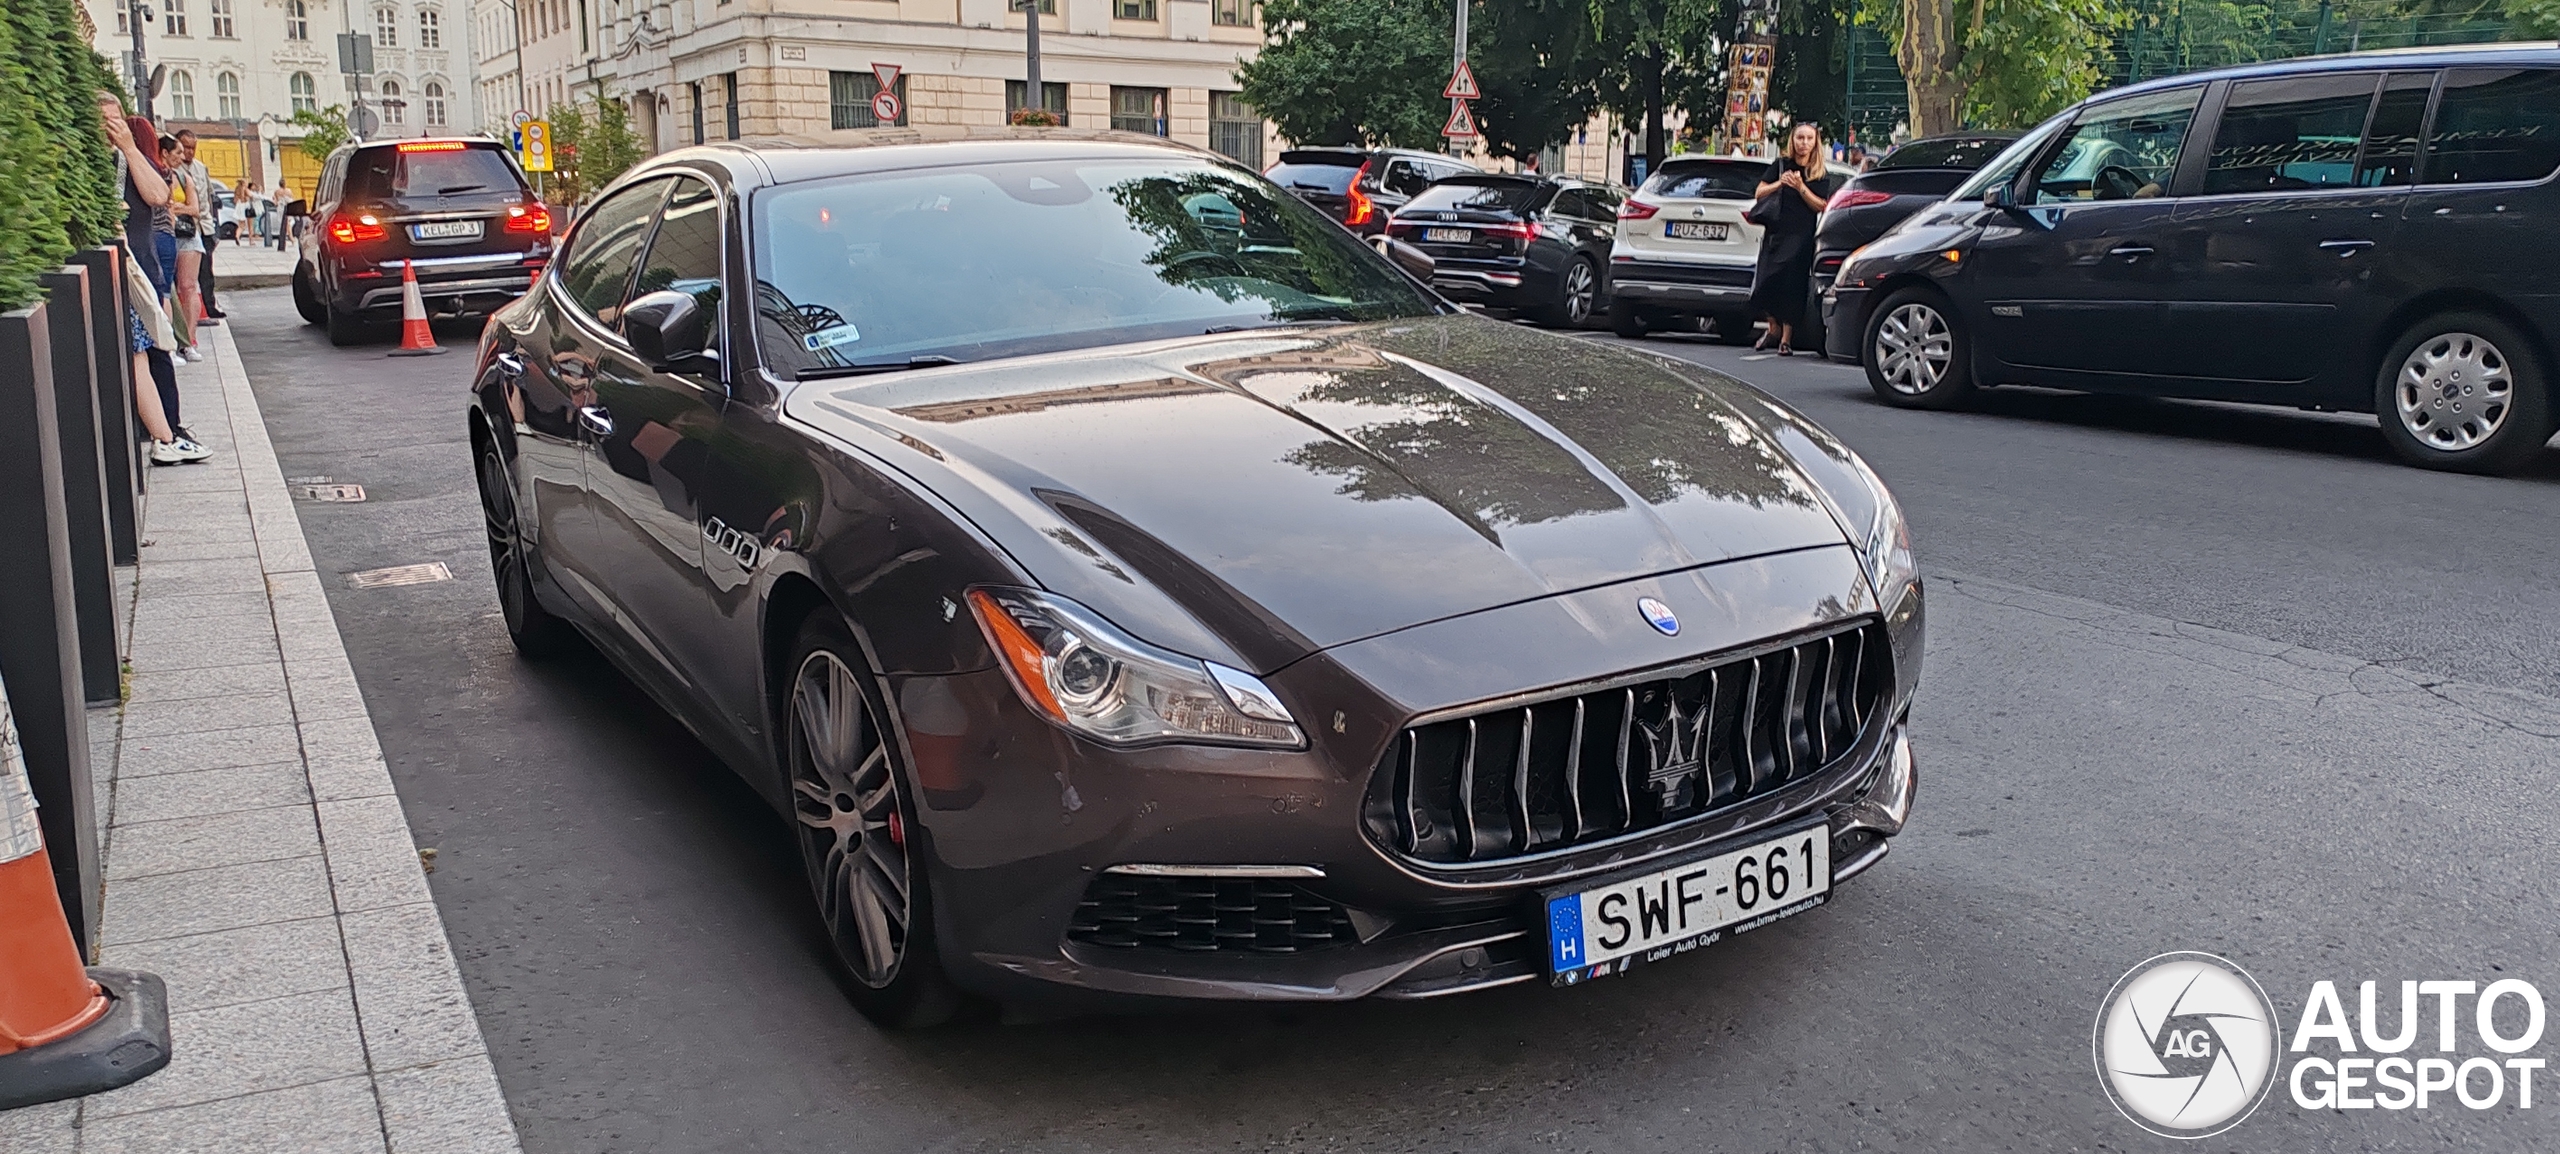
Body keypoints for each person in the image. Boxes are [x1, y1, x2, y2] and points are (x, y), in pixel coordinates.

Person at [93, 93, 207, 465]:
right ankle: (165, 434)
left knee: (153, 349)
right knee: (146, 352)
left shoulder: (126, 161)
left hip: (142, 266)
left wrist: (128, 147)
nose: (112, 127)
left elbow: (159, 195)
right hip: (118, 270)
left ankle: (168, 431)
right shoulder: (90, 165)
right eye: (104, 119)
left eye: (117, 119)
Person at [1747, 121, 1842, 356]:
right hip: (1776, 232)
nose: (1804, 143)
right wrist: (1781, 182)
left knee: (1792, 285)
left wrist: (1801, 187)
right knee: (1764, 283)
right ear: (1793, 140)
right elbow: (1759, 193)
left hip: (1800, 236)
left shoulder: (1818, 173)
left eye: (1809, 139)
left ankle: (1786, 340)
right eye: (1800, 138)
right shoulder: (1781, 165)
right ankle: (1773, 327)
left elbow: (1821, 205)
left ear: (1815, 143)